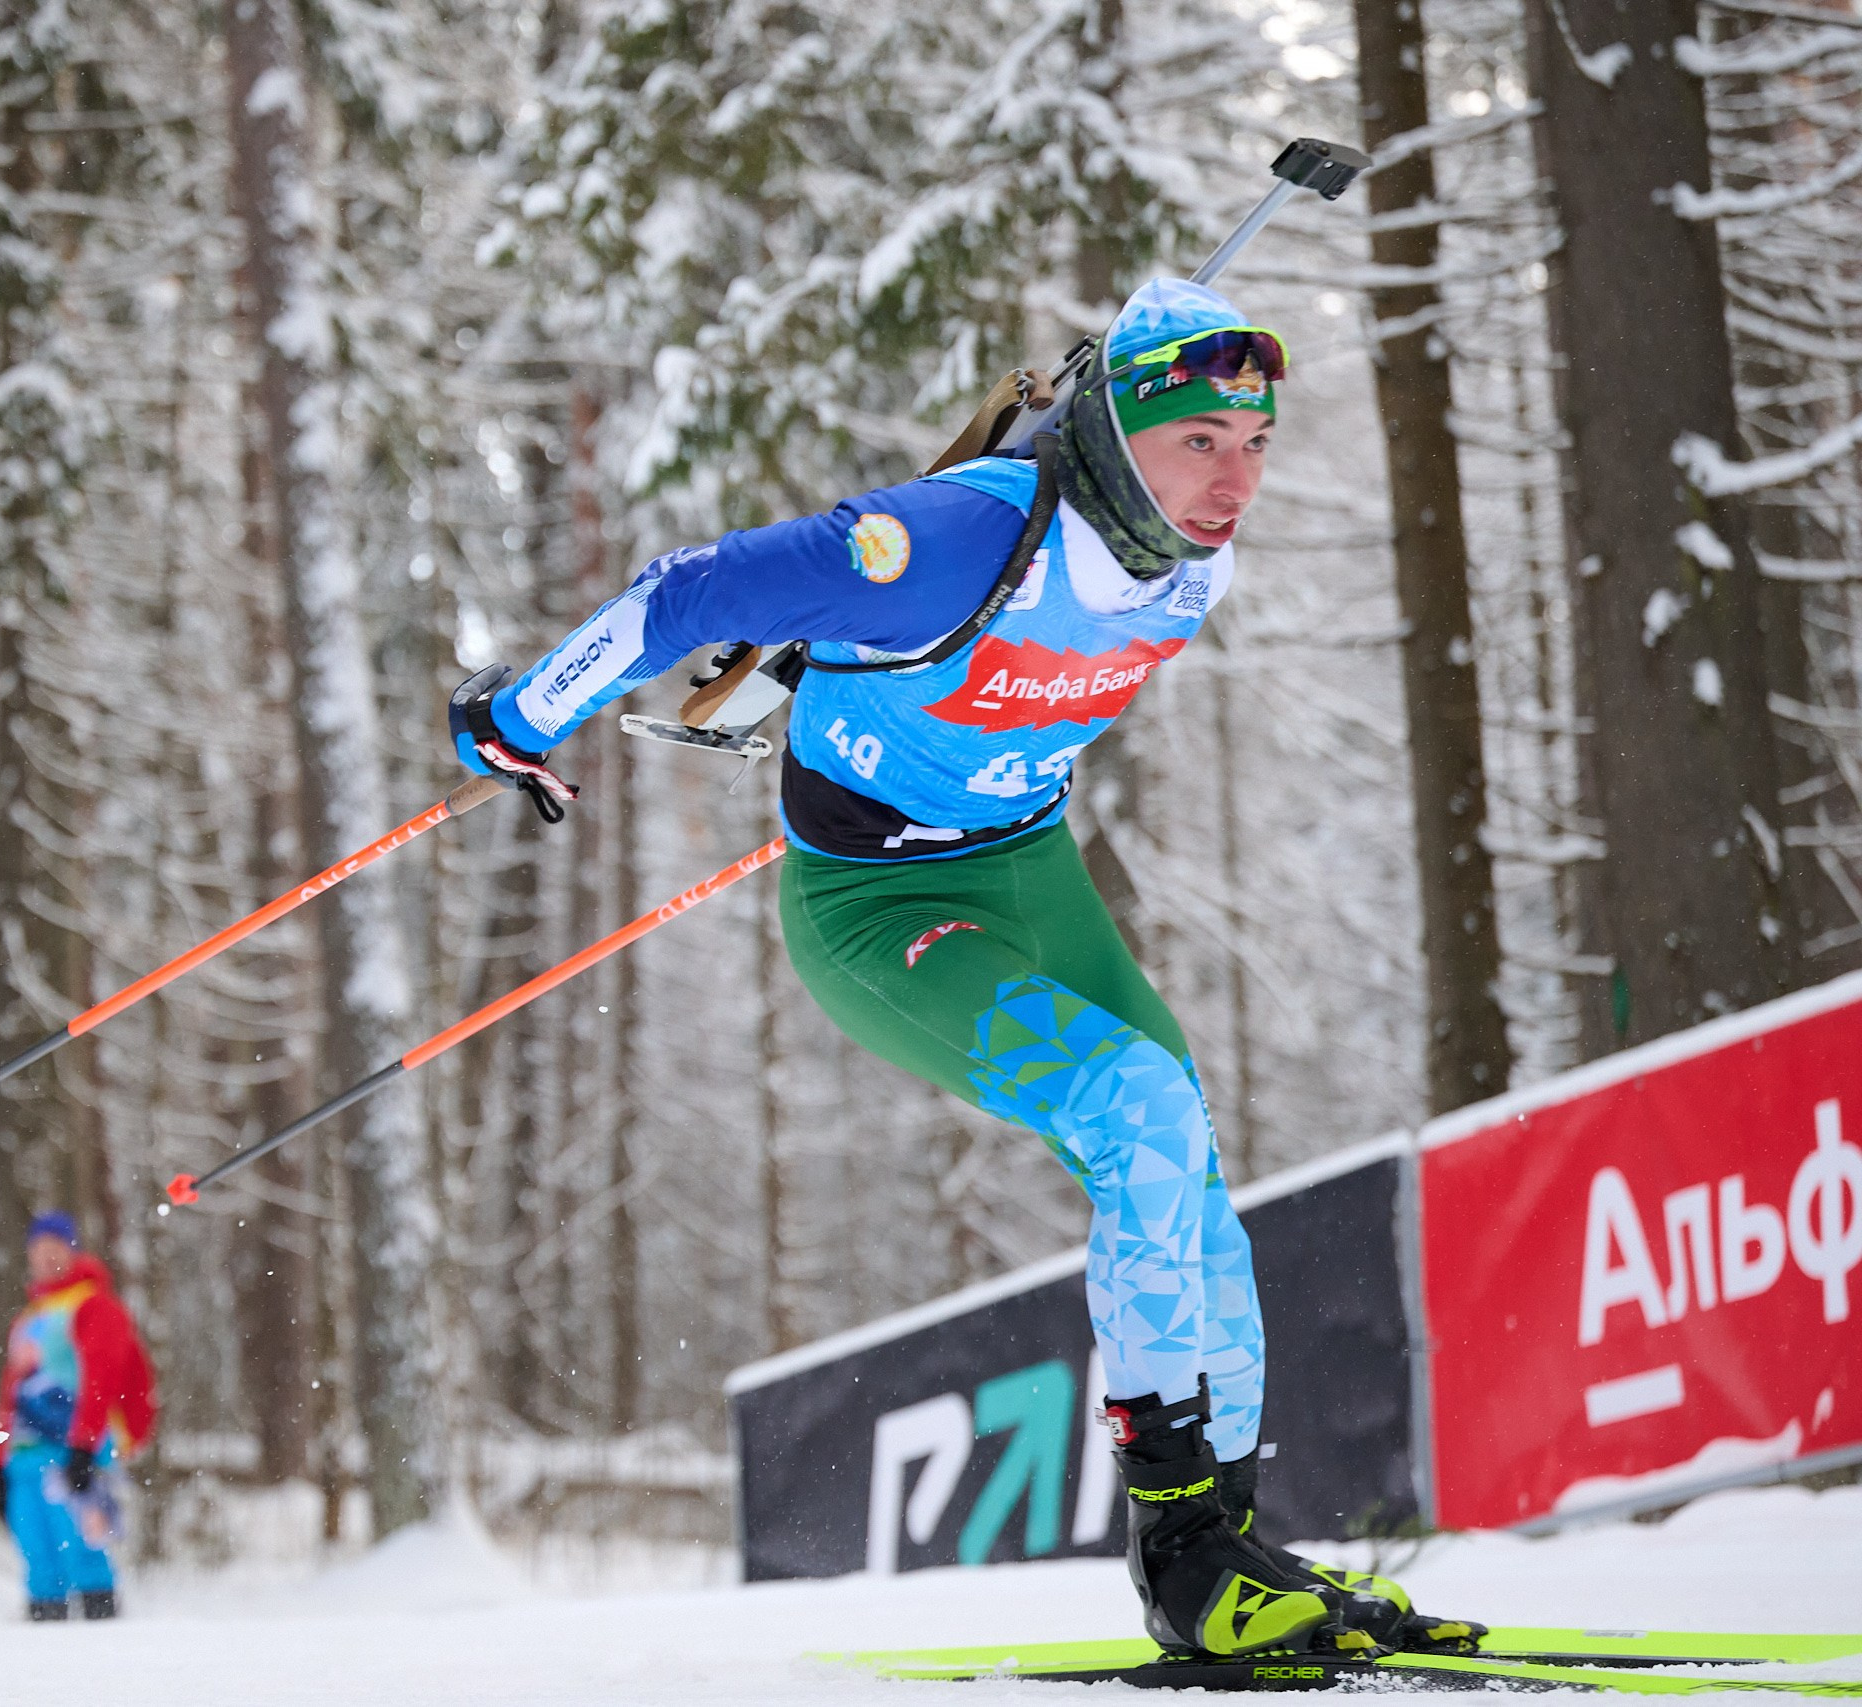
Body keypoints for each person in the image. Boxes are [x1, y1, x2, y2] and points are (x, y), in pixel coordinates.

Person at [448, 280, 1478, 1660]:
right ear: (1122, 431)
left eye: (1254, 443)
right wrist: (518, 714)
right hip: (878, 906)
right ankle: (1185, 1560)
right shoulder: (950, 538)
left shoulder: (1187, 552)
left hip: (1025, 868)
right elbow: (692, 592)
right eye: (1198, 444)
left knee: (1177, 1129)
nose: (1231, 482)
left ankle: (1232, 1536)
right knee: (1133, 1110)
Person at [0, 1211, 156, 1622]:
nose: (45, 1258)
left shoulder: (94, 1306)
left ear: (73, 1251)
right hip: (24, 1456)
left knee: (83, 1551)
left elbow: (102, 1379)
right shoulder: (27, 1319)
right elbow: (11, 1397)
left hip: (73, 1451)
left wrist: (85, 1445)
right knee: (38, 1562)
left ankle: (100, 1650)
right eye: (38, 1250)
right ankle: (46, 1663)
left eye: (54, 1249)